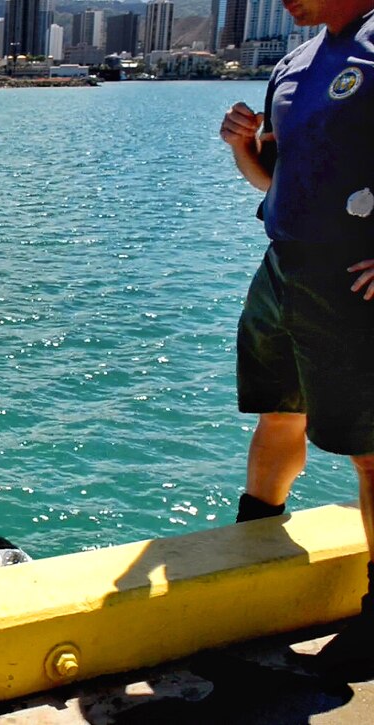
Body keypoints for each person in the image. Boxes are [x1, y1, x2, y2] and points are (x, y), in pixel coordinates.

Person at [219, 0, 374, 670]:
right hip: (283, 265)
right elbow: (270, 177)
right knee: (278, 411)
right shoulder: (294, 62)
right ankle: (255, 550)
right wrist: (242, 148)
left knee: (370, 449)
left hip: (351, 279)